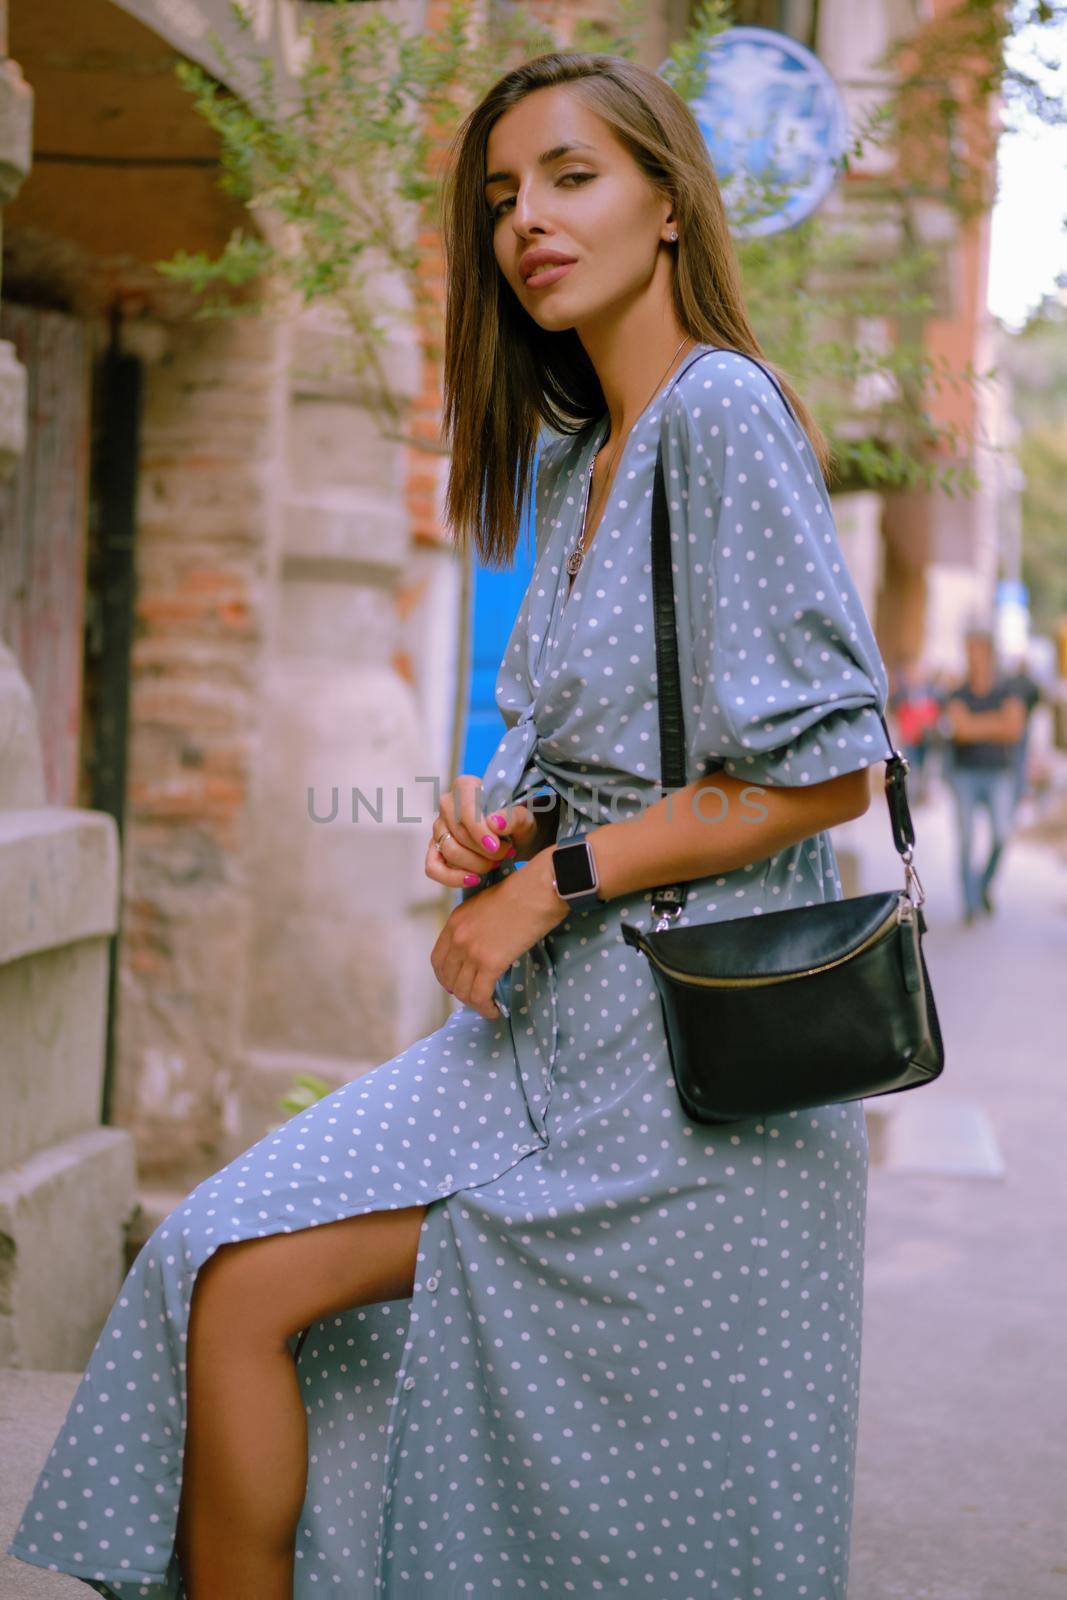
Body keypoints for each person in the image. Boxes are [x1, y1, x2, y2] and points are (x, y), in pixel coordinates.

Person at [8, 51, 892, 1600]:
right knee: (217, 1266)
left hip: (686, 1076)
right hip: (545, 1045)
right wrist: (512, 822)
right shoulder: (574, 460)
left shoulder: (721, 418)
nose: (527, 223)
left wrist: (550, 880)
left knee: (254, 1293)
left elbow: (824, 771)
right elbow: (635, 749)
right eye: (499, 198)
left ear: (668, 204)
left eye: (570, 177)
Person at [943, 627, 1026, 924]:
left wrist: (974, 725)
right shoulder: (957, 692)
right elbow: (959, 730)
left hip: (997, 774)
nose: (973, 658)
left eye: (978, 652)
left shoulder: (1008, 690)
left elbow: (1013, 730)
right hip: (965, 774)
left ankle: (982, 886)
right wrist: (994, 724)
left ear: (989, 655)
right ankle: (969, 903)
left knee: (1001, 835)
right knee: (965, 842)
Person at [889, 657, 940, 804]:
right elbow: (896, 712)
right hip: (909, 737)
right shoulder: (902, 693)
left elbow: (935, 711)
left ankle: (922, 794)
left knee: (925, 768)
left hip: (926, 738)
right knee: (910, 768)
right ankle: (911, 797)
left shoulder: (930, 691)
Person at [1001, 653, 1043, 817]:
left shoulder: (1011, 682)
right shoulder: (1029, 684)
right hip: (1022, 725)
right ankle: (1016, 791)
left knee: (1014, 759)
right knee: (1020, 759)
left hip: (1016, 725)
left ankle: (1013, 791)